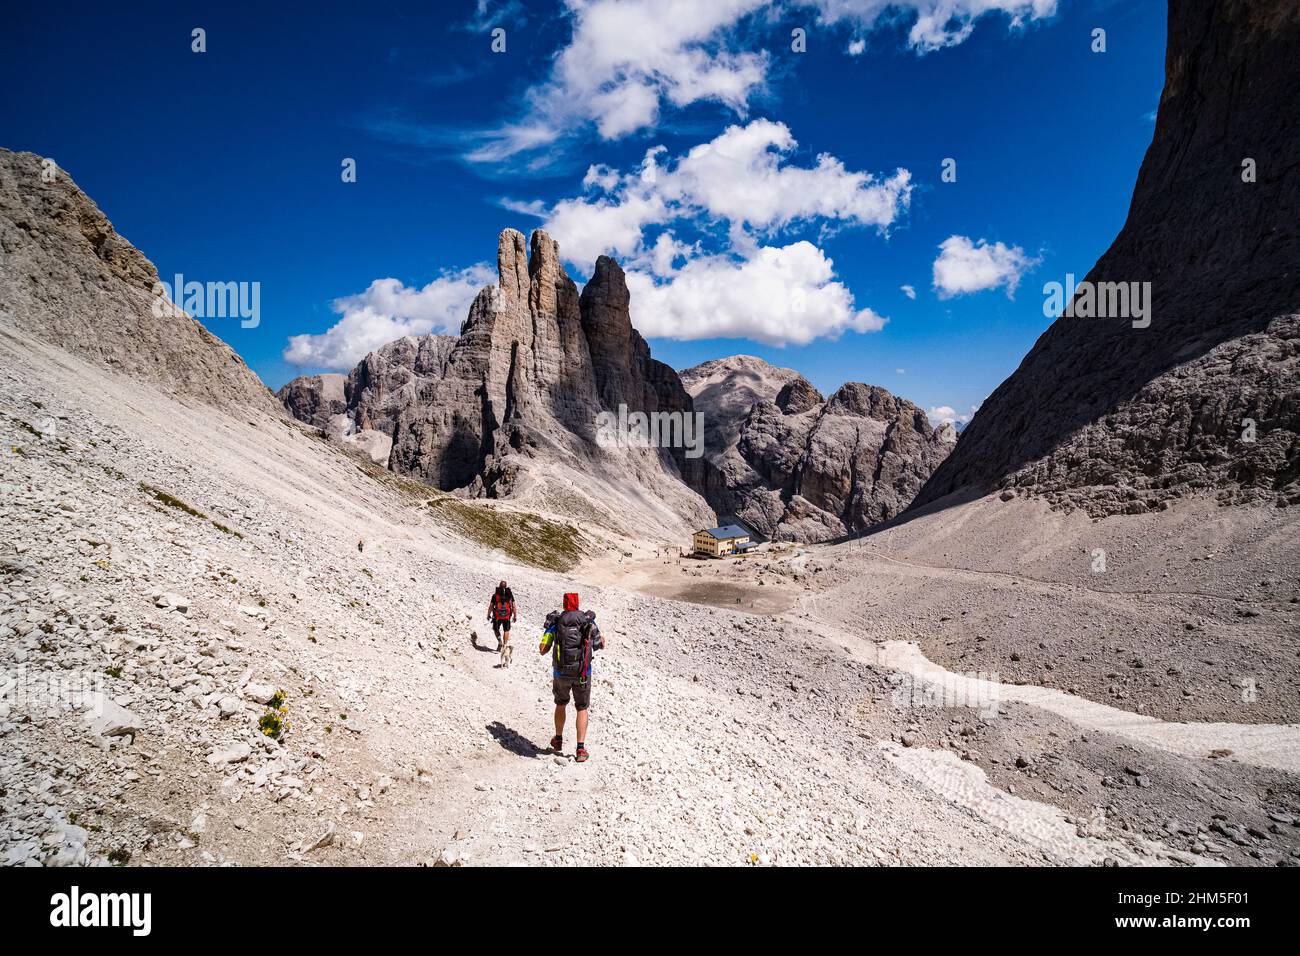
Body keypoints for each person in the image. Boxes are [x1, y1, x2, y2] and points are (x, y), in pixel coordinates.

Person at [540, 592, 604, 763]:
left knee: (561, 704)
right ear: (577, 604)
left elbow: (543, 648)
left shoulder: (556, 622)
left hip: (561, 673)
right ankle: (580, 748)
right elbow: (600, 645)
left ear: (564, 603)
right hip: (583, 673)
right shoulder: (588, 621)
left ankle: (558, 739)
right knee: (581, 707)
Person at [486, 580, 516, 651]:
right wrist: (515, 616)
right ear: (506, 586)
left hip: (497, 616)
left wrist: (488, 614)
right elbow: (514, 606)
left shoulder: (495, 595)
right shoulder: (510, 595)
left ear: (499, 586)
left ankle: (500, 642)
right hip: (507, 616)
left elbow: (491, 606)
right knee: (506, 630)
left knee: (495, 629)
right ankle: (505, 646)